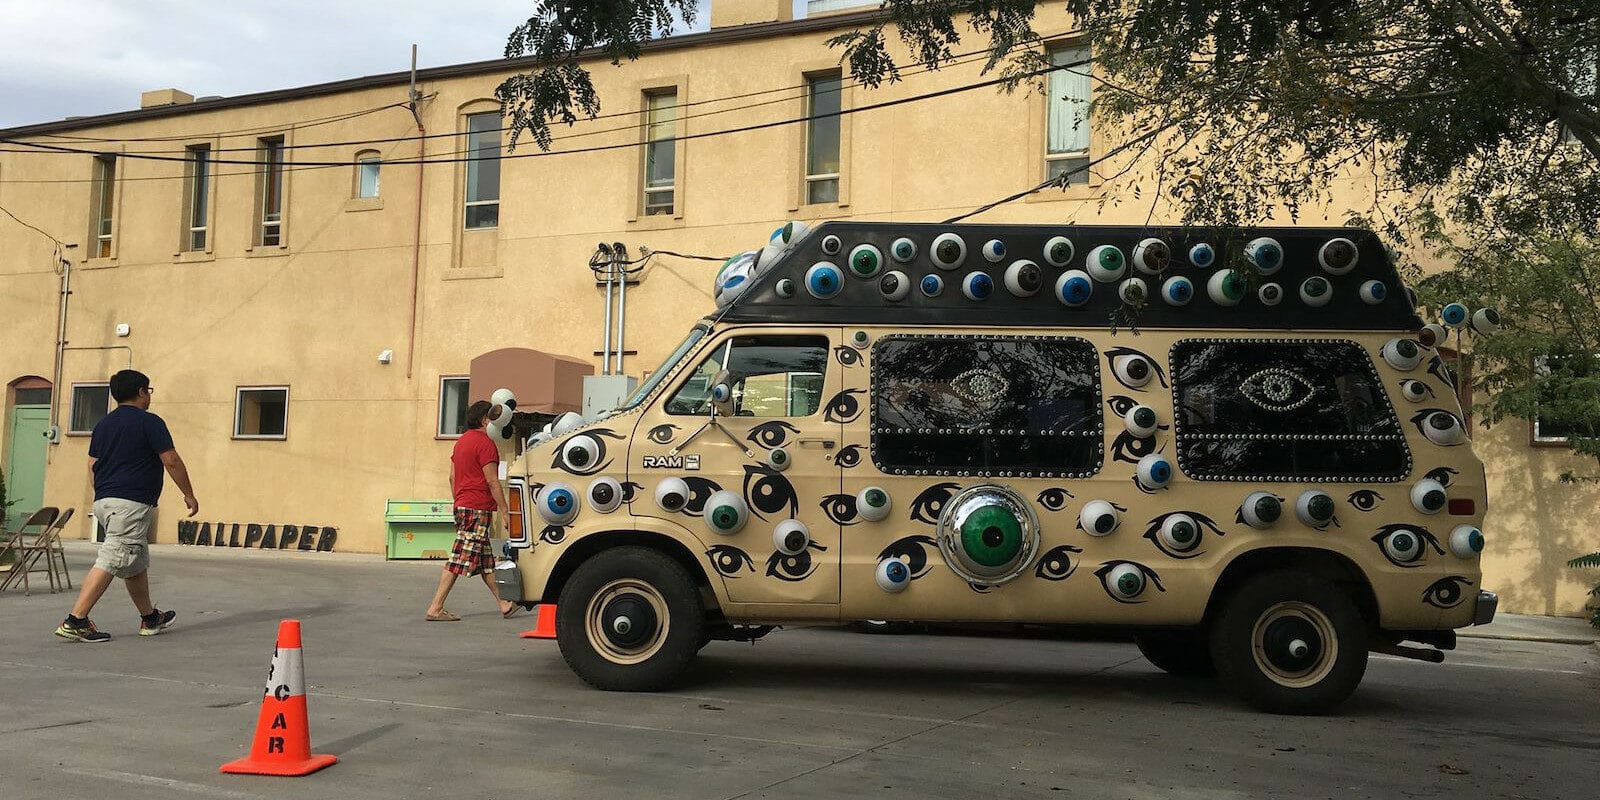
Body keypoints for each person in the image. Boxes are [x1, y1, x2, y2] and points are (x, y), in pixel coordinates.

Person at [55, 369, 199, 643]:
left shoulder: (103, 425)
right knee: (113, 557)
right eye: (148, 391)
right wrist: (189, 494)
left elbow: (92, 464)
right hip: (130, 503)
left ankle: (149, 617)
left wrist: (104, 494)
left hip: (106, 499)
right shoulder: (150, 422)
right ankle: (76, 620)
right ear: (142, 392)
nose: (149, 396)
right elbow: (171, 459)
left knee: (134, 560)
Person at [425, 400, 519, 621]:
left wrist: (458, 500)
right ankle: (435, 607)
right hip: (477, 508)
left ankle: (504, 604)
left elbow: (452, 476)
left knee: (486, 562)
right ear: (485, 420)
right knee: (459, 557)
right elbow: (492, 481)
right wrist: (505, 511)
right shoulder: (485, 444)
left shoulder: (461, 443)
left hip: (463, 505)